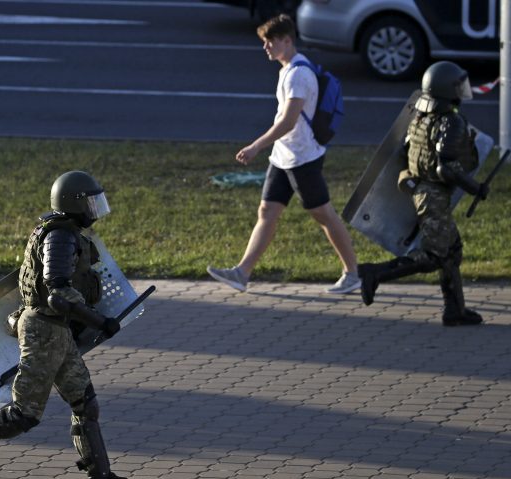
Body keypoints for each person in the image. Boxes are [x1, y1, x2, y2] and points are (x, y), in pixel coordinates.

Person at [0, 171, 151, 479]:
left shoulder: (65, 233)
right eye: (91, 202)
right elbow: (58, 295)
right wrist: (100, 321)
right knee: (23, 414)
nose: (95, 210)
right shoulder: (59, 237)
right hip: (45, 330)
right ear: (73, 203)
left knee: (85, 404)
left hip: (56, 332)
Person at [206, 14, 360, 295]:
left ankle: (352, 273)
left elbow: (288, 121)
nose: (265, 47)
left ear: (287, 41)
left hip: (303, 158)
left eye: (270, 41)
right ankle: (242, 273)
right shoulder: (288, 69)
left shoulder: (299, 74)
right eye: (264, 42)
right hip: (284, 155)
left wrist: (256, 146)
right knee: (267, 211)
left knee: (323, 214)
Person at [357, 61, 487, 326]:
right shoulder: (451, 122)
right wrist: (476, 188)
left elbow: (408, 151)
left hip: (422, 190)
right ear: (447, 89)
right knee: (436, 255)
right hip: (434, 194)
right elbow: (446, 168)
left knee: (452, 251)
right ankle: (375, 273)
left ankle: (455, 310)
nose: (463, 90)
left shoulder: (421, 116)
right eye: (458, 85)